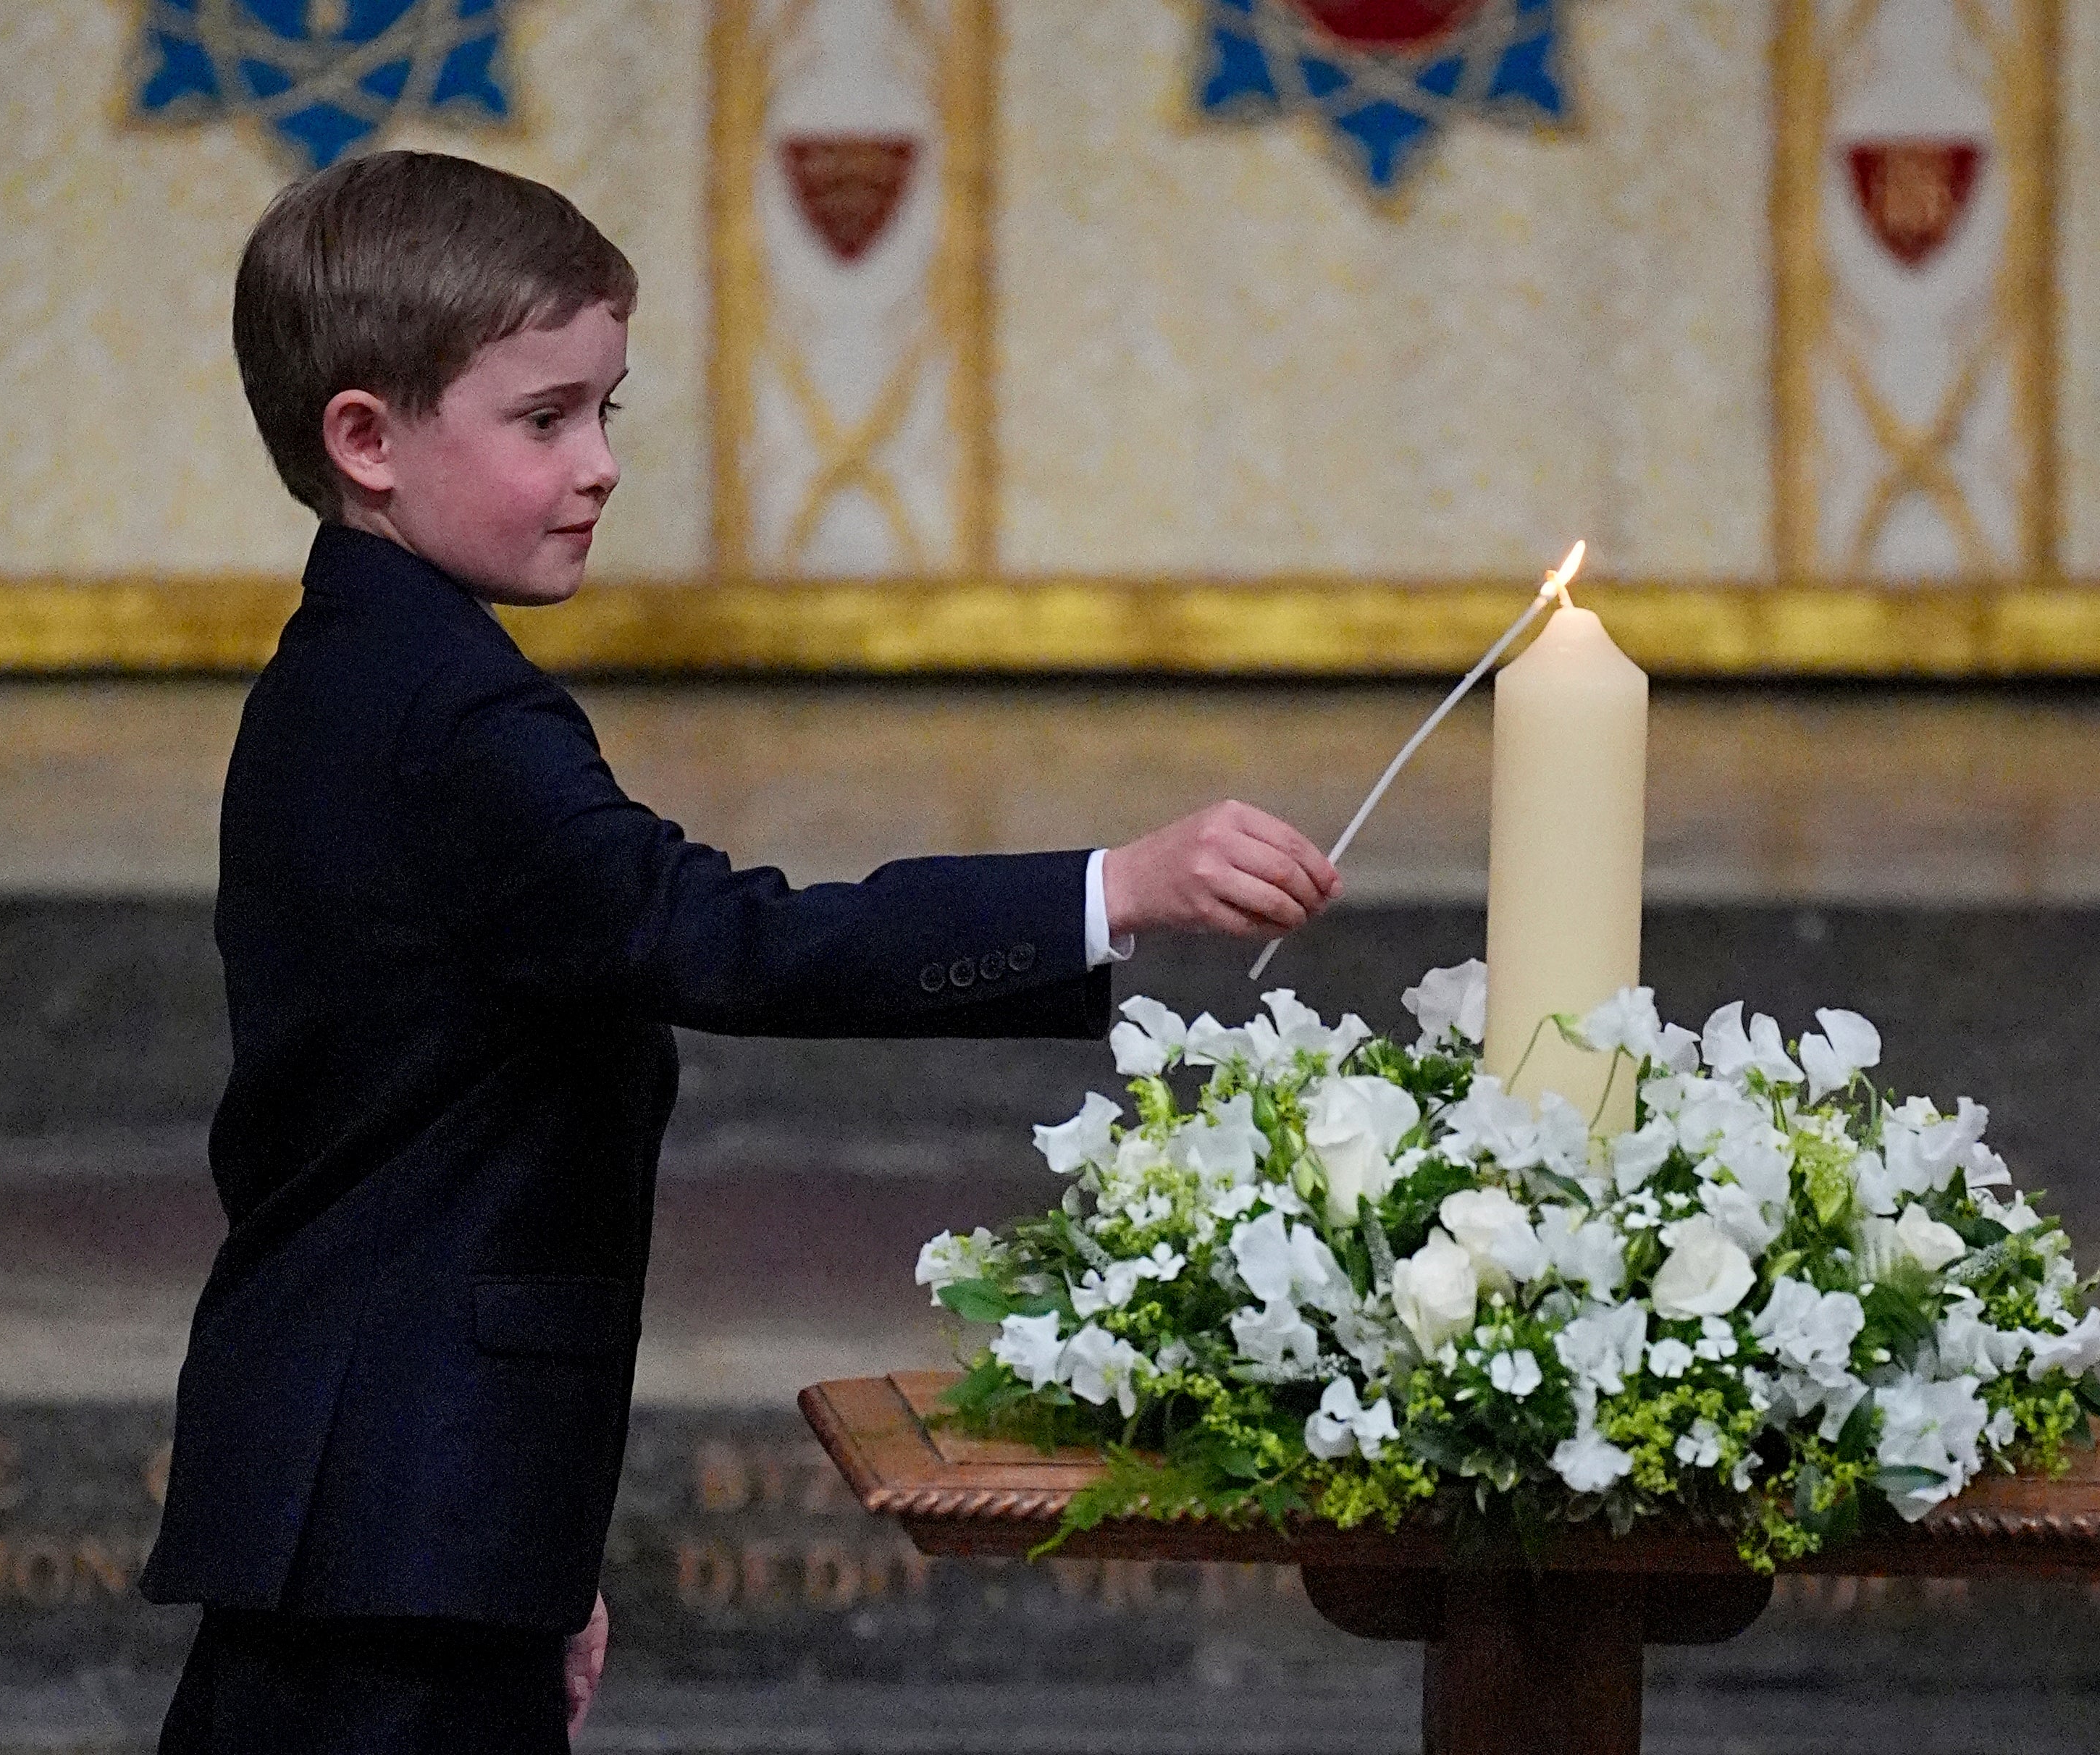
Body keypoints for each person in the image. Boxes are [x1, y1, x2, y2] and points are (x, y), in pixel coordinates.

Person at [138, 150, 1340, 1753]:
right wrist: (1113, 886)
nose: (600, 465)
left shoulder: (362, 668)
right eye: (544, 418)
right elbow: (728, 939)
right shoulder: (448, 713)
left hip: (396, 1499)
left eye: (605, 412)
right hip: (395, 1502)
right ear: (365, 439)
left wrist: (531, 1552)